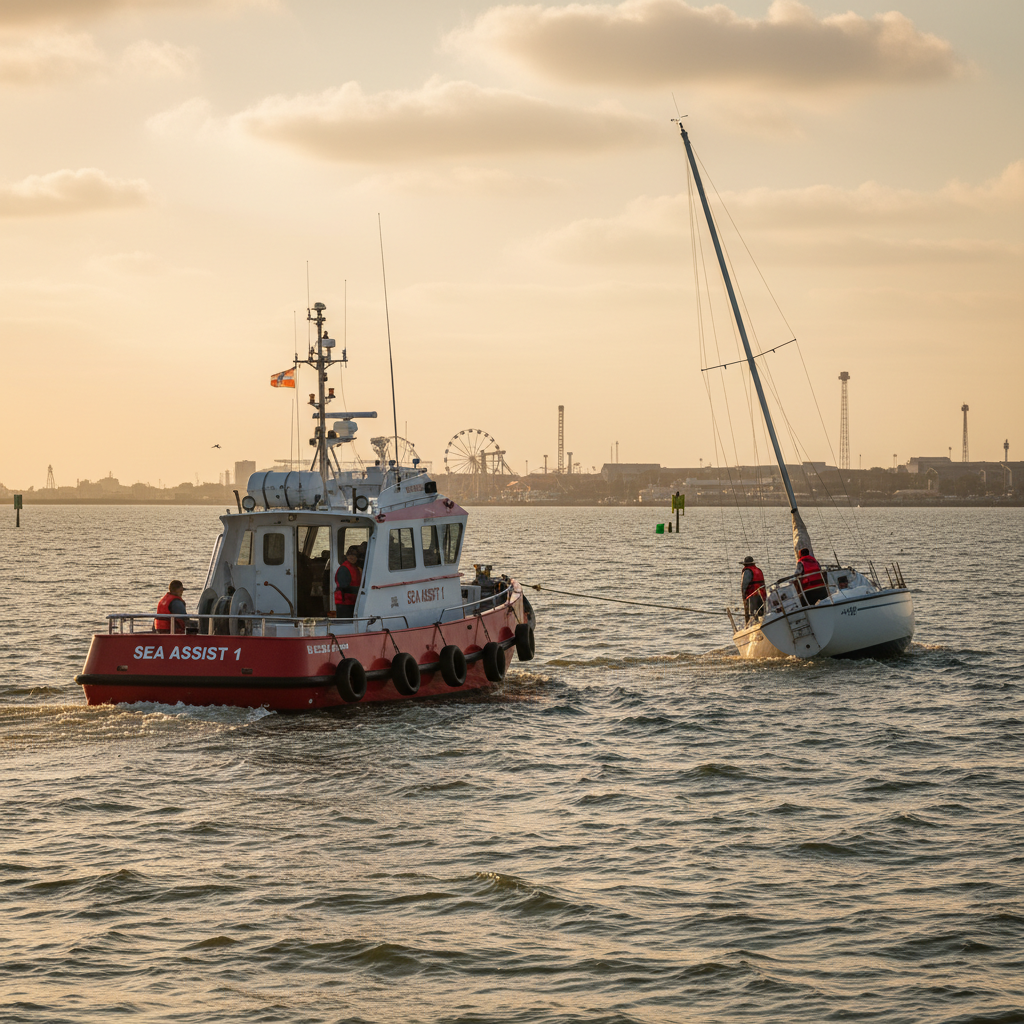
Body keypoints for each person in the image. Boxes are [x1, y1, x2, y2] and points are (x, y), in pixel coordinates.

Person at [334, 545, 362, 619]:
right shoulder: (344, 568)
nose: (352, 557)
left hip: (352, 601)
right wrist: (359, 590)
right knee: (344, 622)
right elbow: (343, 586)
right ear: (346, 556)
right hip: (344, 602)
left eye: (354, 556)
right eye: (350, 555)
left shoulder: (356, 568)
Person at [740, 555, 766, 624]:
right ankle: (763, 622)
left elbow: (744, 584)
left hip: (753, 594)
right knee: (762, 611)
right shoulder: (758, 570)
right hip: (762, 594)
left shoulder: (747, 571)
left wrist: (744, 596)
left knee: (753, 612)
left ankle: (756, 624)